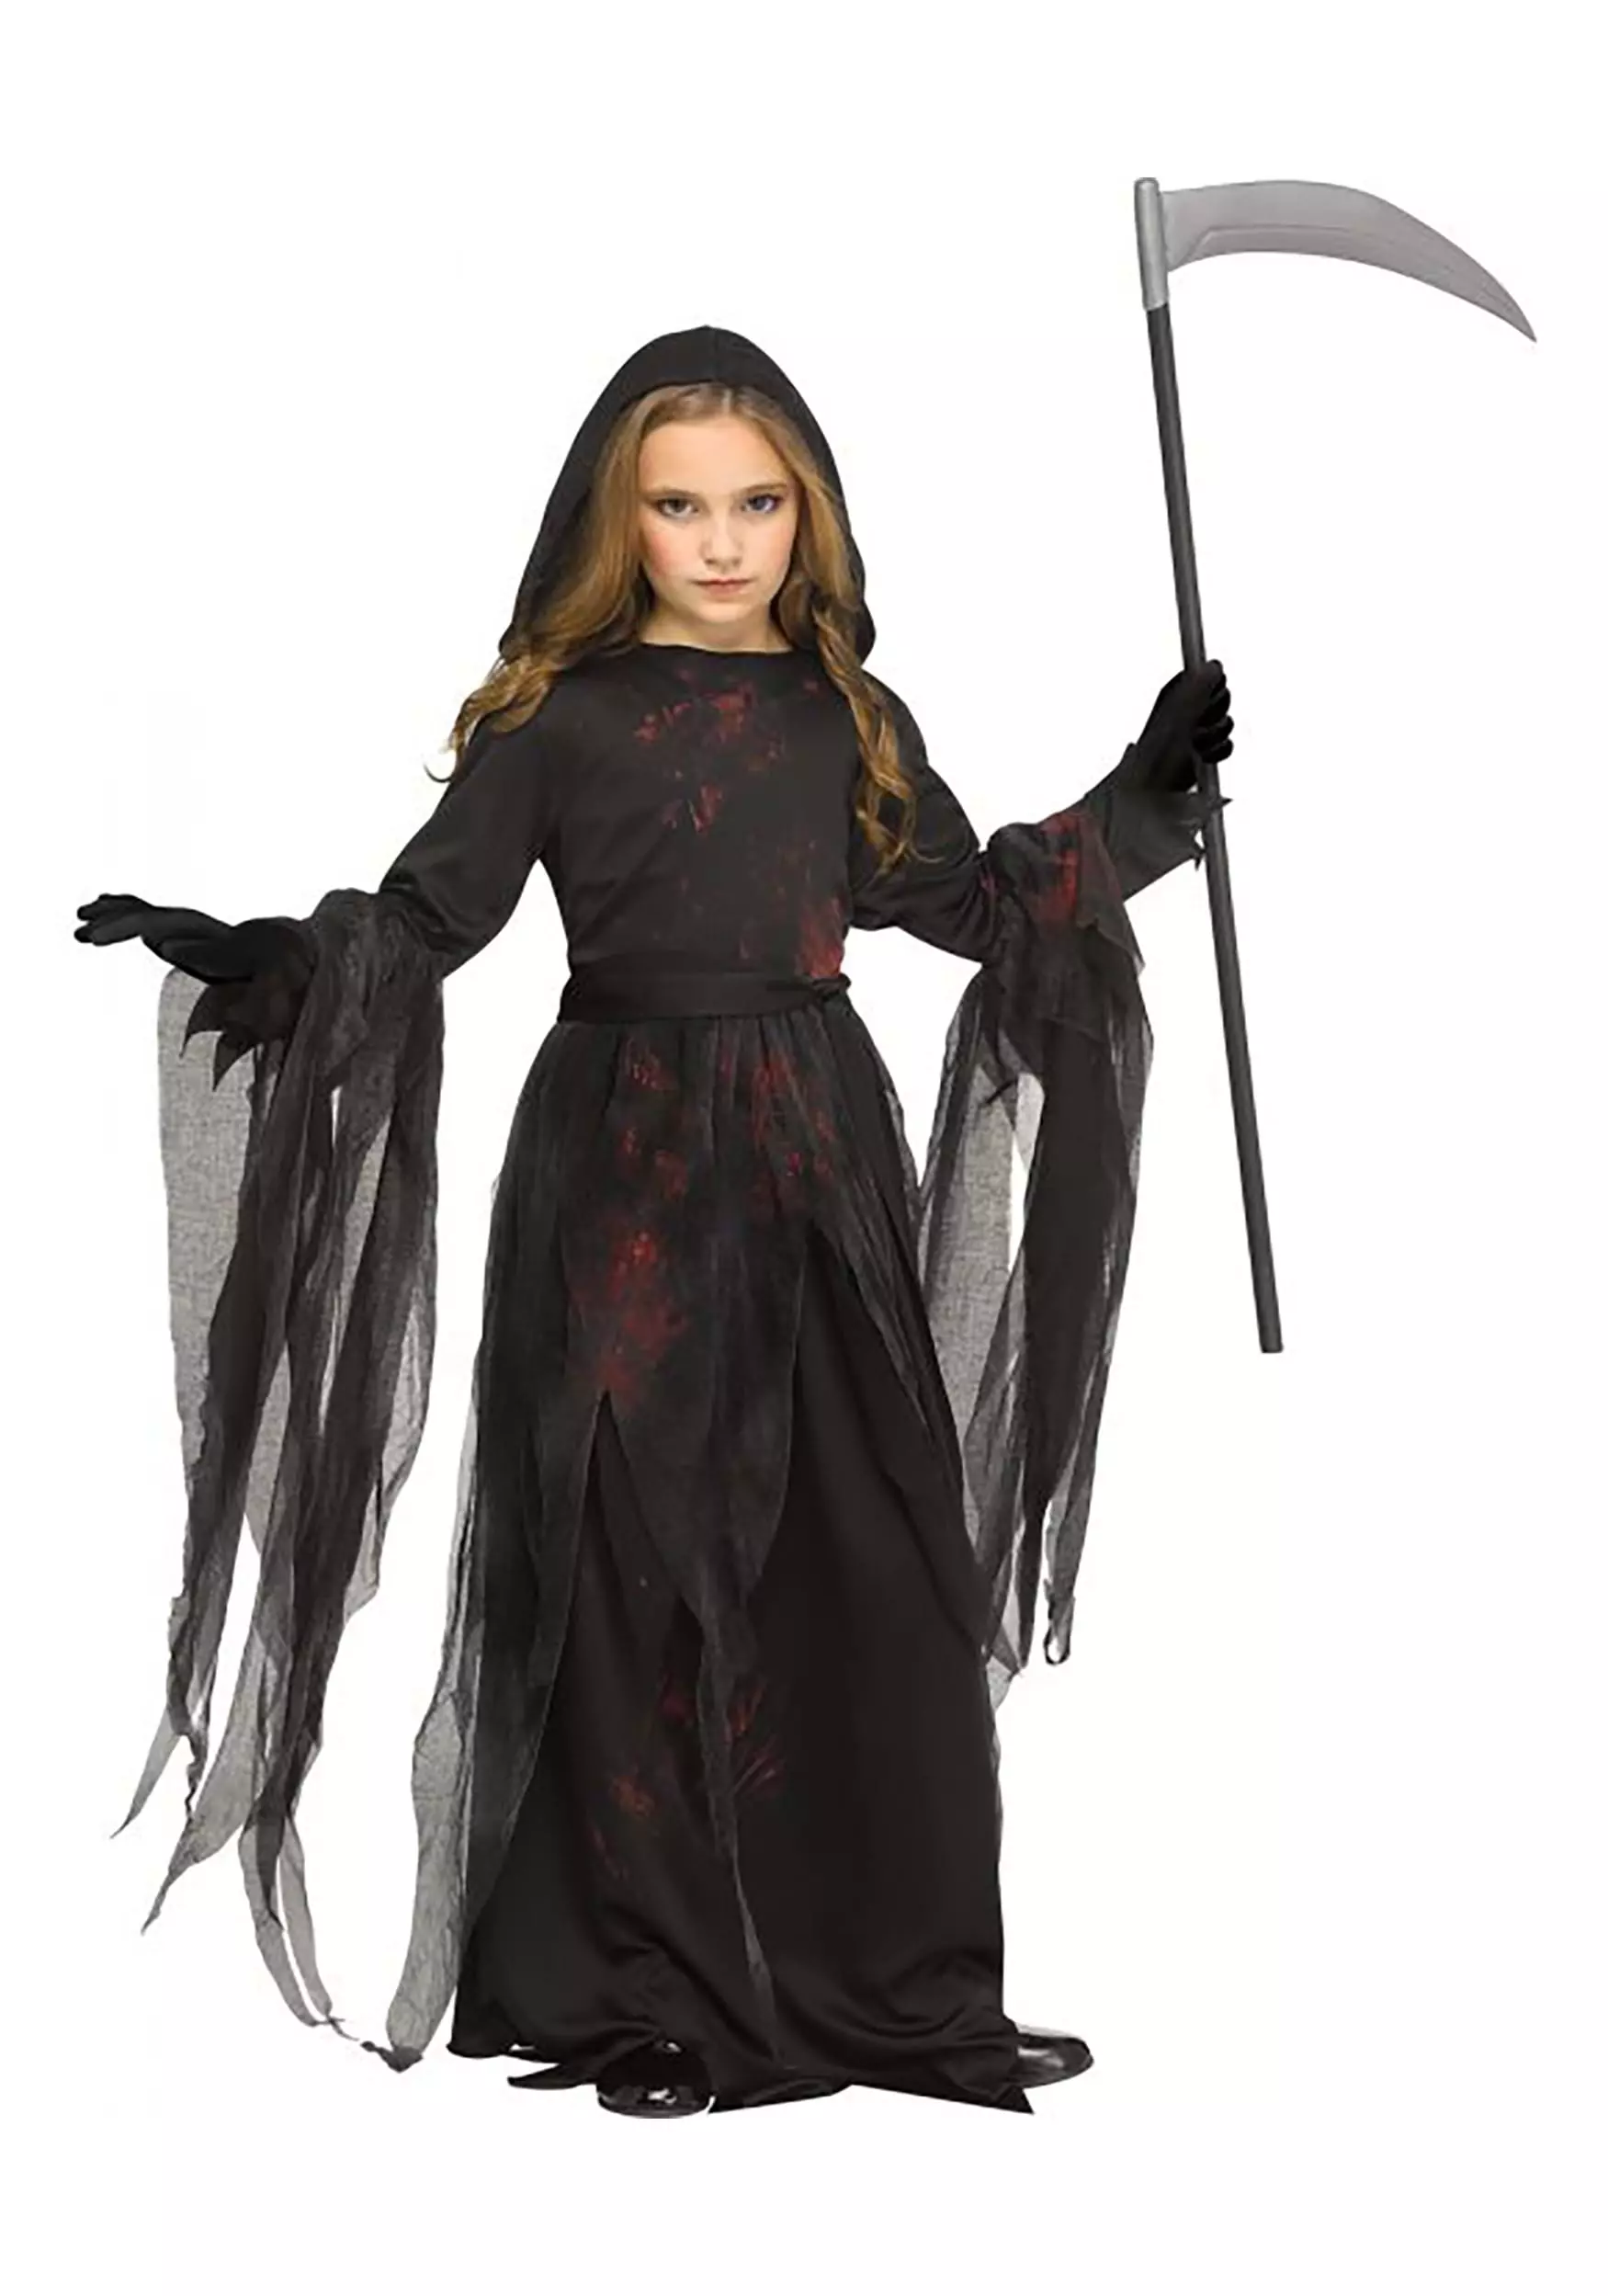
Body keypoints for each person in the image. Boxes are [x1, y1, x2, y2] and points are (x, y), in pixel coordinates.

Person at [74, 324, 1232, 2118]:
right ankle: (645, 1997)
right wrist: (281, 963)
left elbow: (983, 914)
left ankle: (901, 1981)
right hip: (615, 1172)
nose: (719, 540)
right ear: (613, 518)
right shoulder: (558, 719)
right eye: (677, 504)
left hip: (812, 1160)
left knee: (876, 1562)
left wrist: (1141, 799)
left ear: (807, 514)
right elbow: (426, 921)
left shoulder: (846, 719)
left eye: (755, 503)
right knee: (630, 1569)